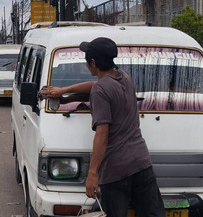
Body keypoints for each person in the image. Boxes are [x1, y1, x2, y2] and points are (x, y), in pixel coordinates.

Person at [41, 37, 165, 217]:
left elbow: (102, 133)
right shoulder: (124, 77)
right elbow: (97, 87)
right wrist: (64, 94)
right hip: (141, 164)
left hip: (116, 171)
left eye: (86, 60)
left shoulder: (101, 89)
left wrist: (92, 173)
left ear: (93, 63)